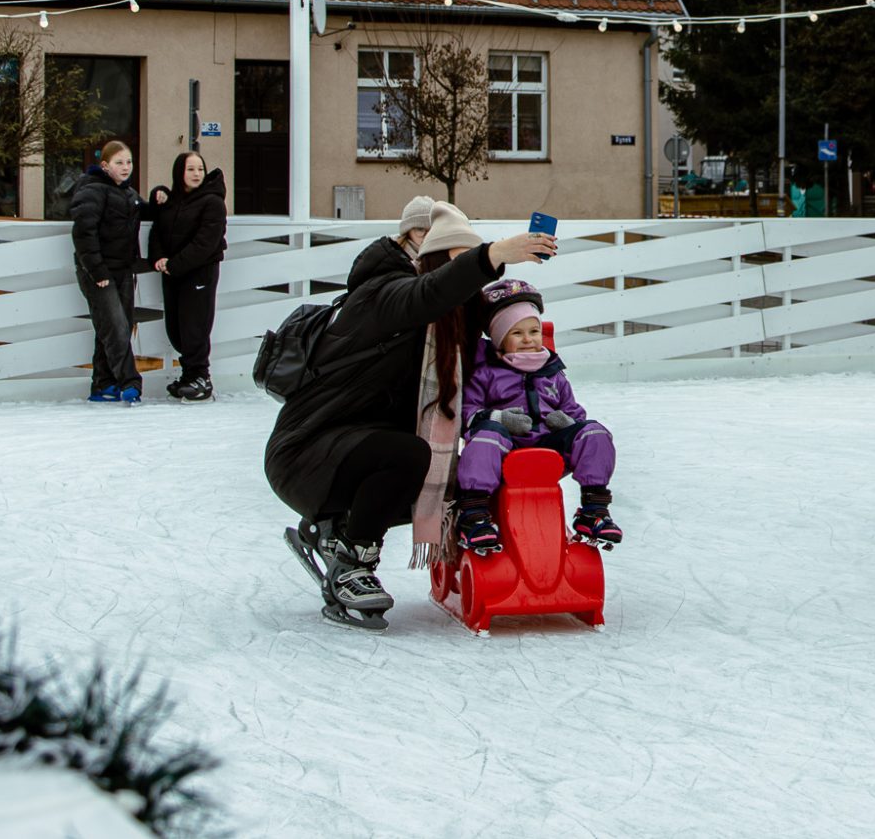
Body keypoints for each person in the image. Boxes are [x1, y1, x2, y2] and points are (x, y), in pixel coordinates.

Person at [263, 202, 555, 624]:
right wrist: (495, 254)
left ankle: (335, 531)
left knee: (456, 477)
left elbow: (484, 339)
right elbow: (429, 293)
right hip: (306, 453)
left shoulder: (444, 323)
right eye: (457, 258)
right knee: (410, 456)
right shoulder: (381, 295)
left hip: (358, 448)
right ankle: (351, 562)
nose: (464, 276)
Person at [432, 278, 621, 554]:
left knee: (594, 432)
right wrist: (498, 419)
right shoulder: (486, 373)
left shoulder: (553, 373)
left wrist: (568, 423)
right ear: (500, 338)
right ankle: (474, 514)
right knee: (486, 436)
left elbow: (574, 412)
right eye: (517, 333)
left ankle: (594, 510)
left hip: (549, 451)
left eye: (534, 331)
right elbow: (466, 412)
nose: (528, 339)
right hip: (502, 453)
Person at [69, 141, 157, 404]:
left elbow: (148, 211)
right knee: (116, 328)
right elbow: (83, 233)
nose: (126, 167)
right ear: (105, 166)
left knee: (115, 327)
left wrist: (160, 195)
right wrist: (96, 270)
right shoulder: (91, 191)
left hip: (123, 270)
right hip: (99, 272)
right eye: (119, 162)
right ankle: (130, 383)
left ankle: (103, 384)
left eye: (129, 162)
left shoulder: (128, 193)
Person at [147, 152, 227, 402]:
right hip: (172, 272)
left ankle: (201, 377)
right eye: (190, 169)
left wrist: (175, 264)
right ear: (179, 172)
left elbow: (205, 243)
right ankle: (188, 375)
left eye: (200, 169)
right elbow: (157, 230)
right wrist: (159, 258)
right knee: (176, 329)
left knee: (195, 326)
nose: (196, 174)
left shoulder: (213, 202)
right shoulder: (172, 201)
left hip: (199, 272)